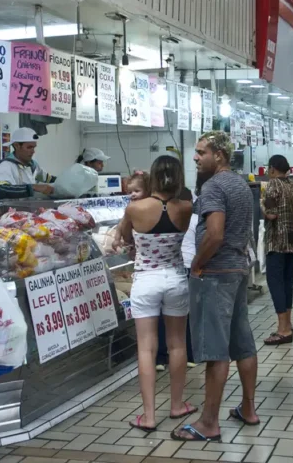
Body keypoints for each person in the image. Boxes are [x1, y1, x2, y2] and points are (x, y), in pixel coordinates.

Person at [173, 131, 258, 442]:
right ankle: (248, 409)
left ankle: (209, 423)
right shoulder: (239, 185)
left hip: (216, 273)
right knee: (243, 343)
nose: (195, 158)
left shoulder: (213, 186)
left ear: (219, 155)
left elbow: (216, 233)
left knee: (216, 351)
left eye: (201, 152)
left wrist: (197, 263)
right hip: (237, 270)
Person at [115, 155, 194, 432]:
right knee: (177, 345)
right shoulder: (186, 207)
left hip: (145, 281)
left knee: (146, 348)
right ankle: (177, 405)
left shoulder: (135, 208)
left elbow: (124, 238)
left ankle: (148, 416)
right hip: (175, 278)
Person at [261, 155, 293, 345]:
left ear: (272, 169)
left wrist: (261, 204)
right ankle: (288, 323)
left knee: (275, 283)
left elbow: (271, 214)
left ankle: (283, 329)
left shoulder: (273, 185)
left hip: (277, 241)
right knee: (287, 283)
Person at [0, 127, 56, 199]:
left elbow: (49, 178)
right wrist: (33, 188)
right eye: (29, 147)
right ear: (17, 146)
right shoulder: (6, 166)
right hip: (11, 209)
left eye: (34, 147)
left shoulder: (33, 165)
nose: (33, 151)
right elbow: (0, 190)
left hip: (29, 209)